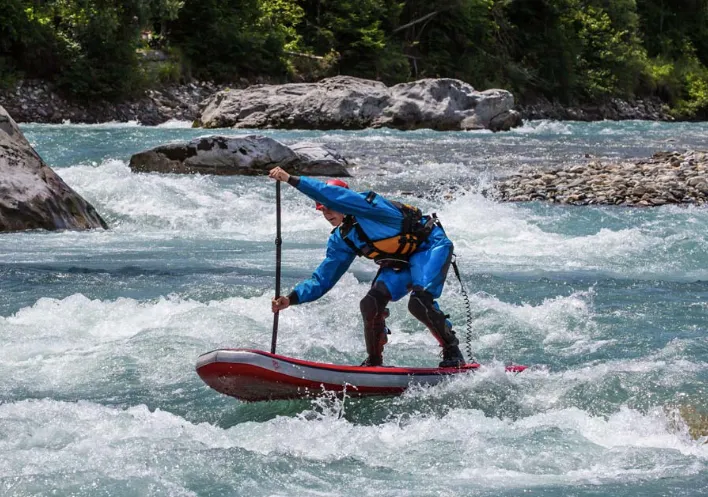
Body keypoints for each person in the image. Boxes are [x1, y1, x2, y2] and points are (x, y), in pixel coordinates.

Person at [268, 166, 466, 368]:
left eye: (330, 206)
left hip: (429, 247)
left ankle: (453, 352)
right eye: (322, 209)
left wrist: (291, 179)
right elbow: (323, 279)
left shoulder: (372, 209)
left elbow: (333, 195)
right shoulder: (342, 238)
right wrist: (291, 298)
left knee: (419, 302)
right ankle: (374, 362)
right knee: (371, 303)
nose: (326, 213)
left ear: (343, 202)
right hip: (401, 262)